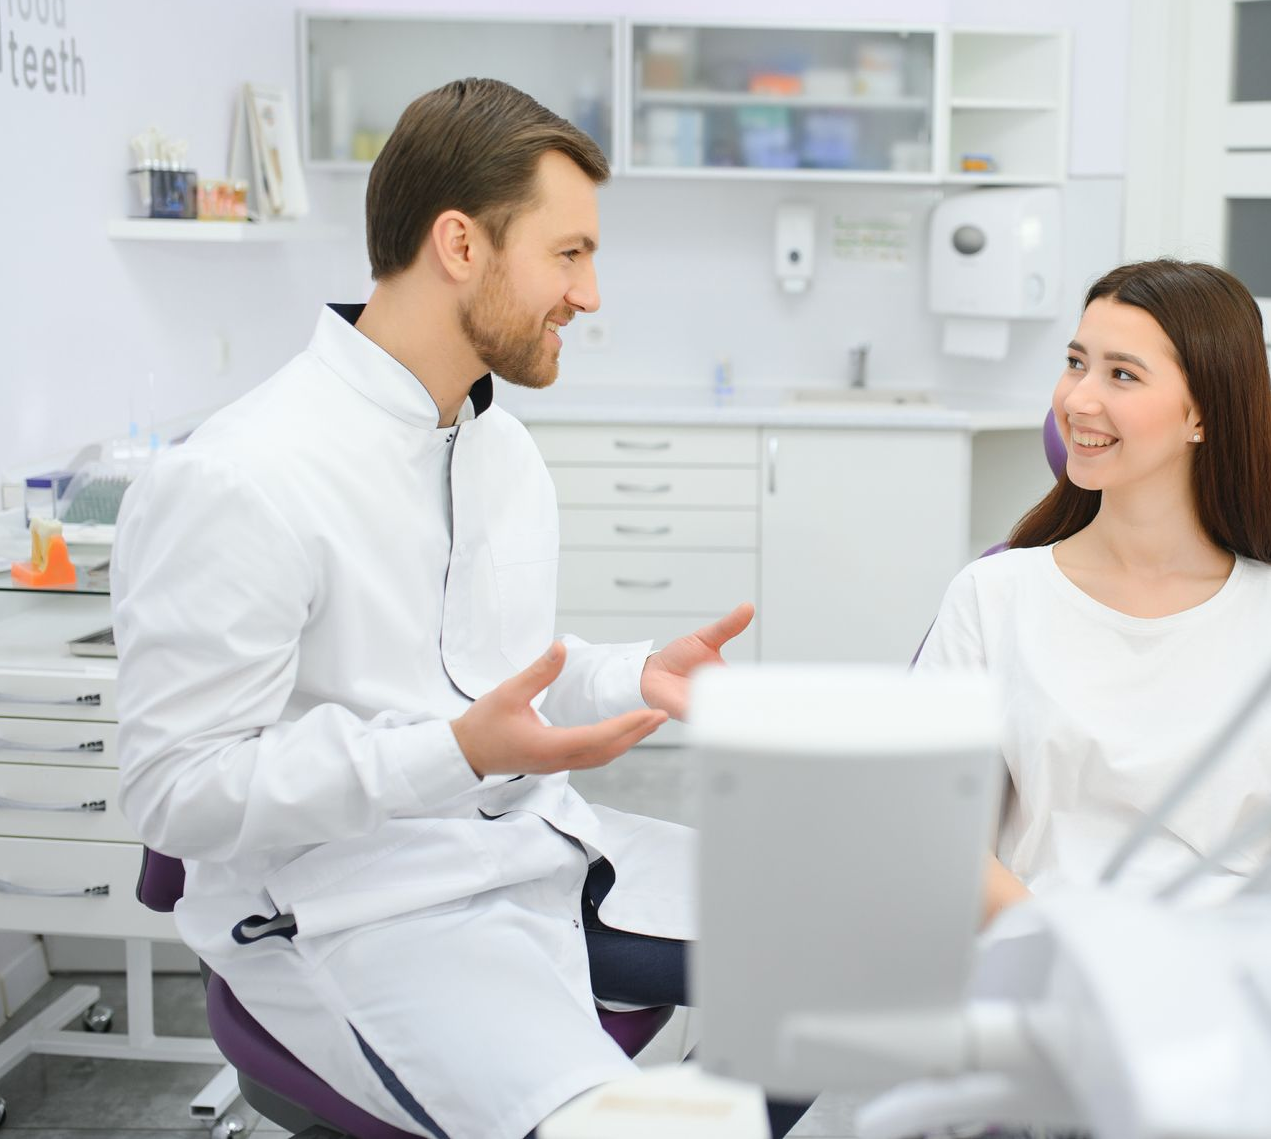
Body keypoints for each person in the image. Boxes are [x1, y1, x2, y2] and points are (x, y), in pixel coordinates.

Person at [113, 79, 805, 1139]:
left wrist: (633, 673)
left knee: (851, 959)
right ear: (460, 245)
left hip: (531, 852)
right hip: (350, 912)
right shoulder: (244, 475)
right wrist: (455, 753)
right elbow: (175, 793)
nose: (592, 294)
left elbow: (494, 679)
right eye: (569, 254)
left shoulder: (499, 449)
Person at [914, 259, 1271, 913]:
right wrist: (1080, 958)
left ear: (1202, 415)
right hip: (1041, 970)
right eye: (1075, 362)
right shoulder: (991, 597)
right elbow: (937, 836)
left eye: (1121, 374)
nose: (1076, 399)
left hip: (1227, 983)